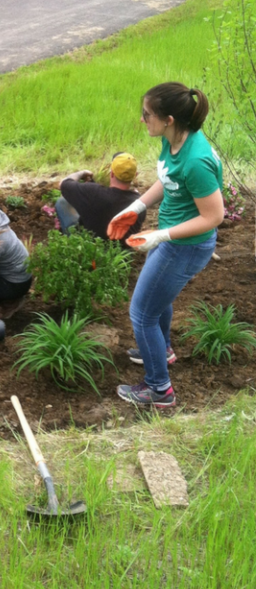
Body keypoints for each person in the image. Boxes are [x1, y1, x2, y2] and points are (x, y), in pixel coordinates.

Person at [107, 82, 224, 408]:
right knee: (156, 300)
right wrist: (135, 208)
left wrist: (161, 235)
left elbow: (214, 216)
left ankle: (159, 389)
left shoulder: (197, 160)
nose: (142, 120)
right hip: (174, 238)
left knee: (141, 313)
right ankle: (163, 350)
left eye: (147, 115)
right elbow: (168, 179)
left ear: (169, 119)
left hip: (186, 245)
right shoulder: (173, 140)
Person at [55, 152, 146, 241]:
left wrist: (82, 173)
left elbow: (63, 183)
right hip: (122, 253)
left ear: (111, 173)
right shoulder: (140, 203)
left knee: (62, 202)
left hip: (89, 247)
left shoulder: (93, 192)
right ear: (135, 175)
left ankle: (69, 241)